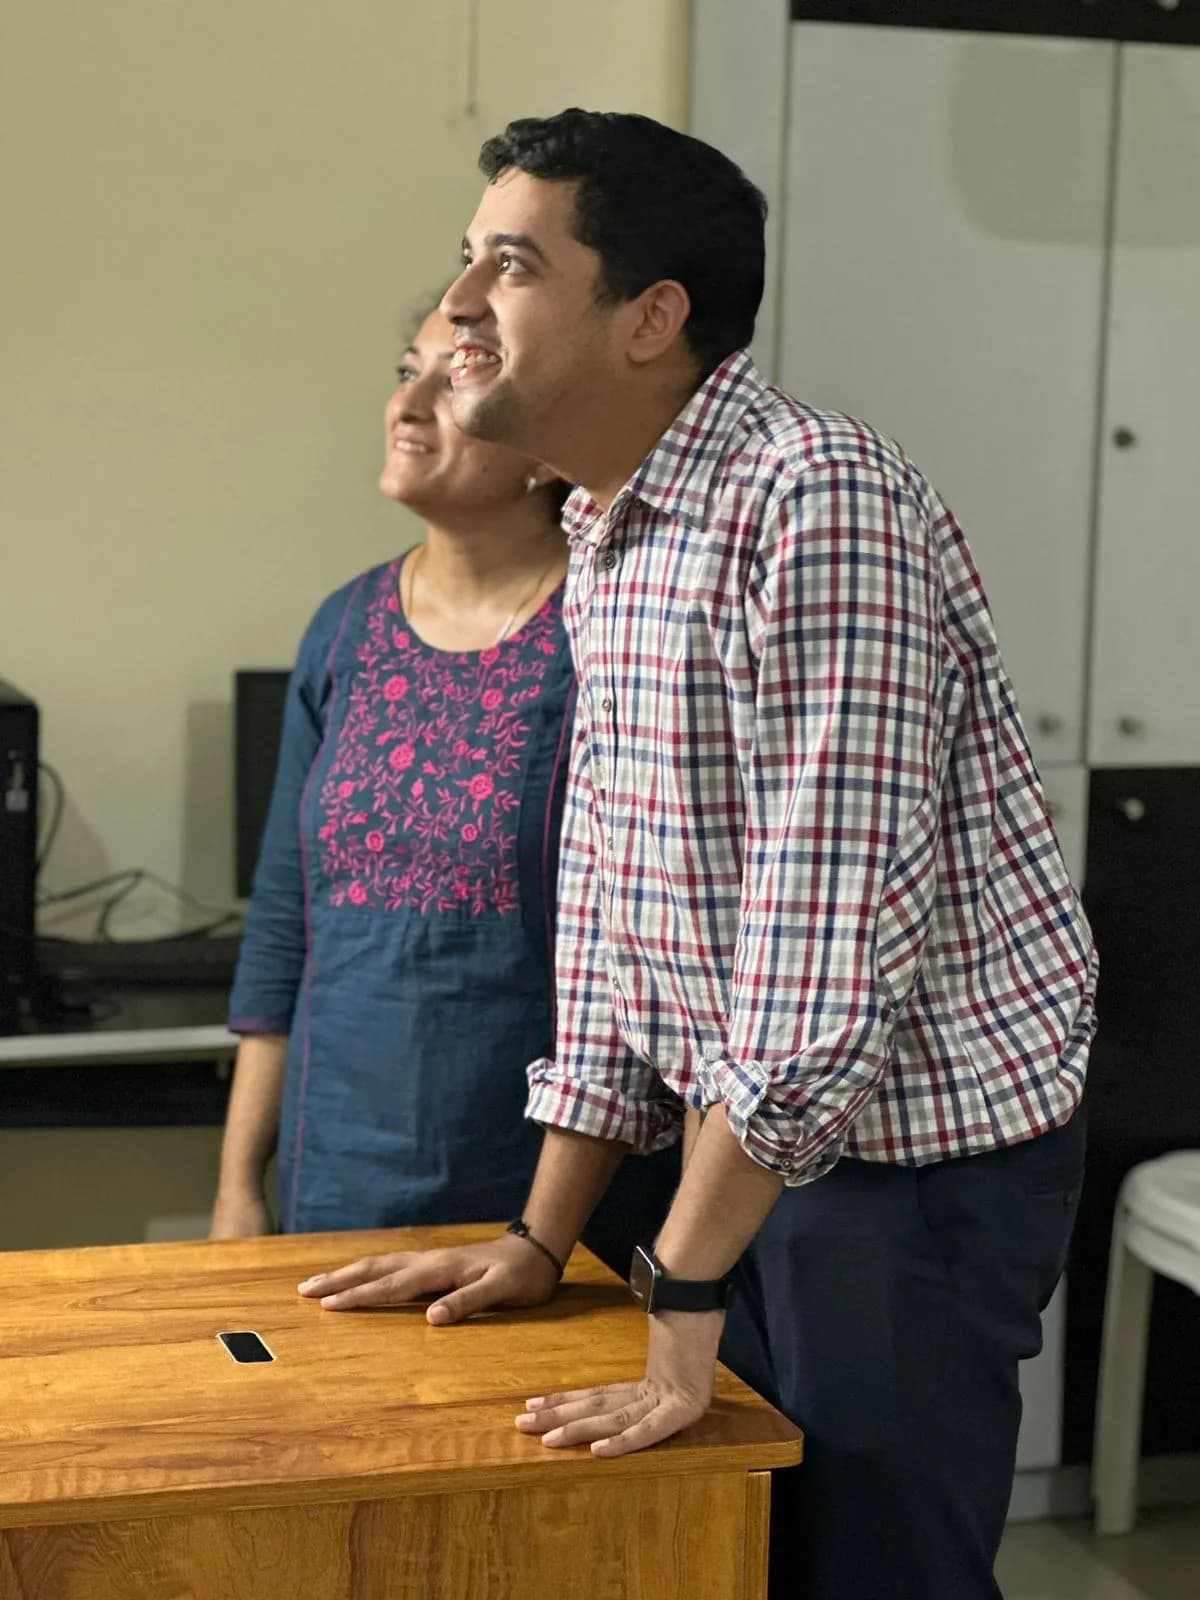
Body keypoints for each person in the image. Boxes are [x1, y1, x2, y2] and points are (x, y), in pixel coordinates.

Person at [299, 114, 1096, 1599]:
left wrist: (685, 1283)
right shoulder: (611, 526)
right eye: (470, 262)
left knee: (871, 1571)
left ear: (652, 318)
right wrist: (542, 1238)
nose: (461, 307)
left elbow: (821, 964)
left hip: (901, 1170)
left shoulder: (816, 498)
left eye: (512, 266)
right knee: (716, 1551)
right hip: (749, 1153)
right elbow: (609, 908)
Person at [211, 302, 678, 1272]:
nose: (408, 404)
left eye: (454, 378)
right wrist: (236, 1191)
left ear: (544, 449)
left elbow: (648, 955)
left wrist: (547, 1236)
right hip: (332, 1177)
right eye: (405, 369)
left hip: (543, 1201)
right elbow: (284, 929)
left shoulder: (608, 636)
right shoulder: (342, 630)